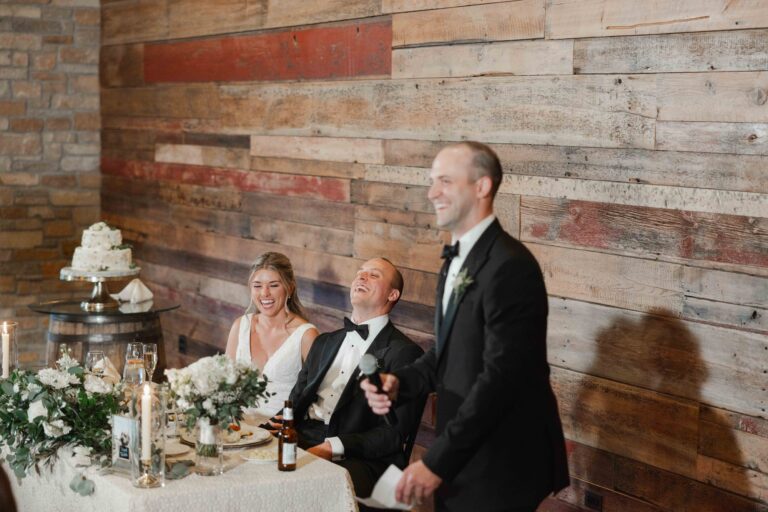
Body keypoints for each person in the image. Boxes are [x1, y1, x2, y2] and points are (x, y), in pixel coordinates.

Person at [361, 142, 569, 511]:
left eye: (445, 181)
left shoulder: (511, 266)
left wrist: (437, 461)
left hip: (502, 456)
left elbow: (502, 378)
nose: (432, 193)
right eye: (432, 181)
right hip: (465, 449)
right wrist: (400, 384)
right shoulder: (455, 262)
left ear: (482, 186)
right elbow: (447, 354)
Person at [284, 257, 425, 501]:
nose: (361, 276)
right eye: (360, 272)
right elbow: (295, 400)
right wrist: (274, 427)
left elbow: (393, 434)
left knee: (302, 488)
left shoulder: (405, 353)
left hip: (360, 458)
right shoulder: (324, 342)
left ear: (392, 294)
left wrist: (333, 447)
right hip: (302, 437)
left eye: (374, 275)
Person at [225, 252, 318, 419]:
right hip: (238, 427)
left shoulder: (306, 336)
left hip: (282, 430)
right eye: (257, 286)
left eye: (274, 285)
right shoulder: (240, 326)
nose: (265, 293)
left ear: (290, 288)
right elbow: (224, 385)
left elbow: (315, 398)